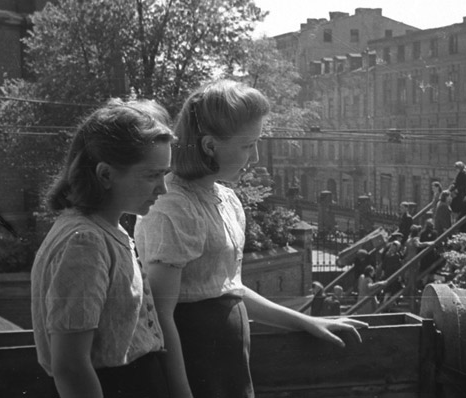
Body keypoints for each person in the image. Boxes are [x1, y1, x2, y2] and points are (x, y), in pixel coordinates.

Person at [135, 79, 367, 398]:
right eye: (247, 146)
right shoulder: (173, 206)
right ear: (209, 146)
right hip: (193, 371)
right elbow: (161, 314)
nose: (256, 157)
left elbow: (231, 290)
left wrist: (305, 322)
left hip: (229, 370)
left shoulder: (227, 201)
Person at [30, 99, 174, 398]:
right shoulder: (85, 242)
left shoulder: (108, 229)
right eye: (152, 175)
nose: (163, 189)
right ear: (105, 174)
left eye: (165, 174)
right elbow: (70, 366)